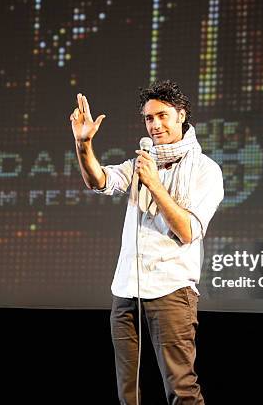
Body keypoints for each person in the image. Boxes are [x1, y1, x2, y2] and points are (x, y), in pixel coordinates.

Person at [70, 80, 224, 404]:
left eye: (162, 116)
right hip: (126, 291)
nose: (154, 125)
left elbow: (187, 231)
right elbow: (100, 180)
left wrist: (155, 184)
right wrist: (84, 146)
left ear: (181, 115)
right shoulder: (141, 162)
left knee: (181, 389)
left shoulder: (205, 170)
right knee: (129, 393)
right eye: (148, 118)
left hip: (171, 291)